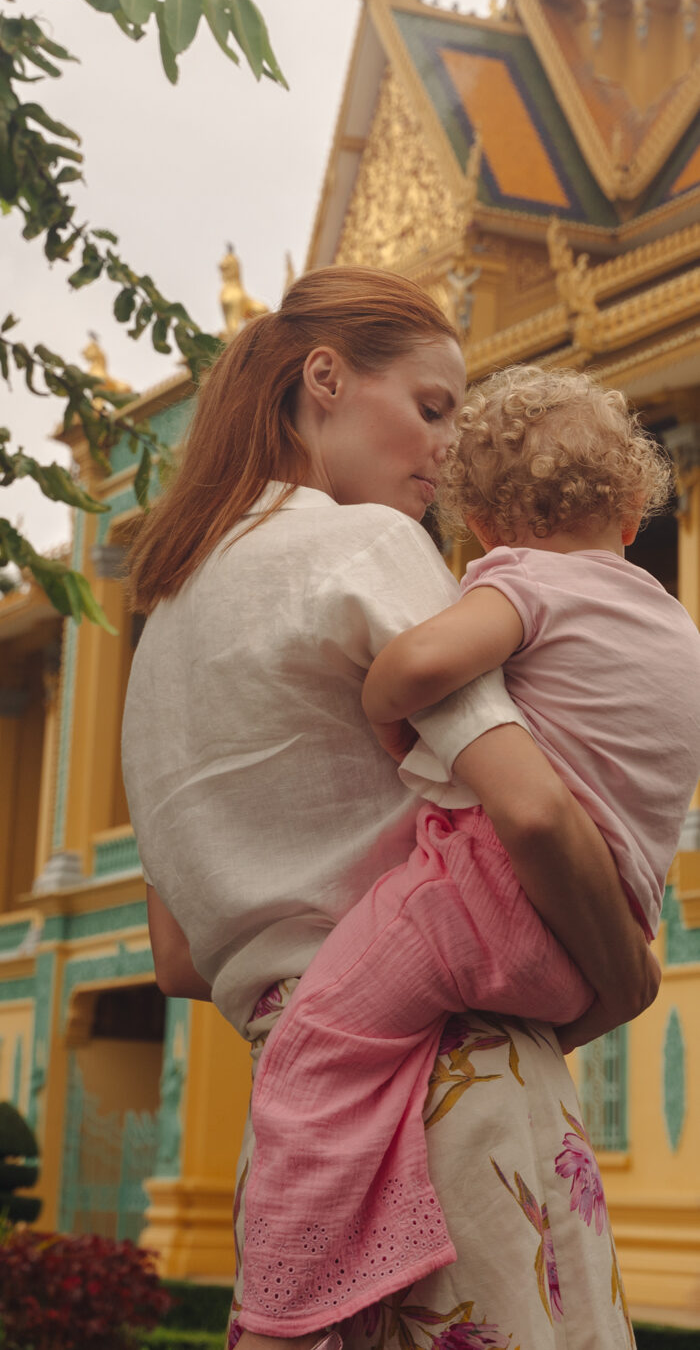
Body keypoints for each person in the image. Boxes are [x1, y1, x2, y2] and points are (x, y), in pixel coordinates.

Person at [121, 271, 658, 1350]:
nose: (449, 452)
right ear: (324, 379)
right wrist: (627, 977)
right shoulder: (359, 546)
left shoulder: (158, 635)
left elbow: (177, 960)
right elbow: (537, 815)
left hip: (297, 1115)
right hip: (452, 1085)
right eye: (431, 408)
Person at [240, 365, 699, 1342]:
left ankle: (299, 1293)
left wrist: (383, 711)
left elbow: (418, 664)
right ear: (628, 515)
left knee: (313, 1045)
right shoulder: (669, 619)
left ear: (484, 528)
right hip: (599, 932)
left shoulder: (525, 582)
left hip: (482, 902)